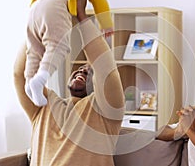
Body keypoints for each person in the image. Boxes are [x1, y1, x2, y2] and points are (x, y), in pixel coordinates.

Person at [14, 13, 125, 166]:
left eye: (90, 72)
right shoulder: (43, 105)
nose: (83, 71)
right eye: (80, 69)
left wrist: (81, 17)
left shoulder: (106, 111)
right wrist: (40, 23)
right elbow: (20, 75)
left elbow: (105, 68)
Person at [25, 0, 114, 106]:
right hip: (55, 5)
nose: (83, 70)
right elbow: (100, 0)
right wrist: (106, 24)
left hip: (35, 8)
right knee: (59, 46)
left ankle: (29, 83)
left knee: (35, 51)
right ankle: (40, 79)